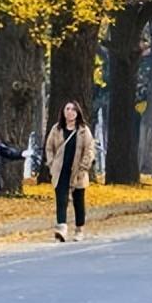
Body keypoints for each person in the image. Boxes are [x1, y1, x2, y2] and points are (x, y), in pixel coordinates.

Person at [45, 100, 96, 242]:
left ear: (78, 112)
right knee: (61, 200)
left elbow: (89, 150)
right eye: (67, 109)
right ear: (63, 111)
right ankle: (61, 228)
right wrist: (51, 164)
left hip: (78, 171)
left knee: (78, 201)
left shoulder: (83, 130)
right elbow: (49, 148)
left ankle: (79, 229)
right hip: (60, 170)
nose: (70, 112)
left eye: (73, 109)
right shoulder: (56, 129)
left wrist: (83, 167)